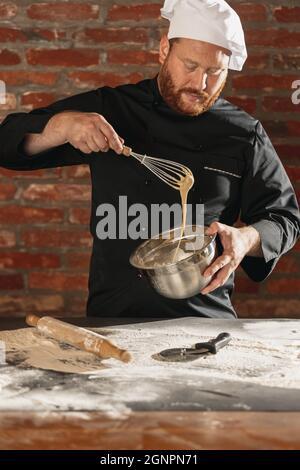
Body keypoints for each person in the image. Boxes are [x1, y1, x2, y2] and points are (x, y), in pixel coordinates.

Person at [0, 0, 299, 319]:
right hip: (113, 317)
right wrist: (61, 126)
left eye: (214, 72)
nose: (200, 84)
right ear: (163, 51)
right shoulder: (113, 109)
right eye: (190, 65)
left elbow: (285, 218)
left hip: (204, 318)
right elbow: (6, 144)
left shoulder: (242, 133)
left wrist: (245, 238)